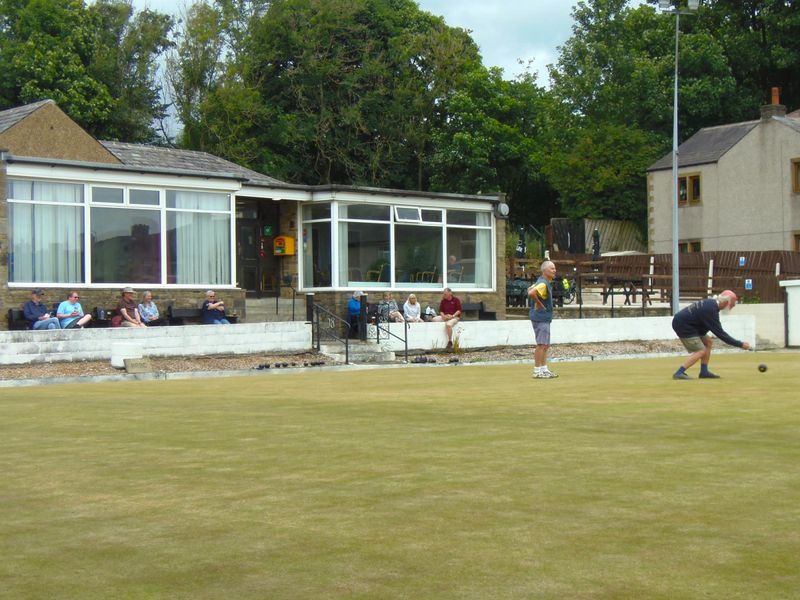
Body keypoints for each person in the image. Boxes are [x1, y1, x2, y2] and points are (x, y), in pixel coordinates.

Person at [671, 290, 750, 379]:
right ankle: (679, 373)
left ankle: (704, 372)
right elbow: (721, 334)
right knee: (701, 350)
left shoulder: (711, 304)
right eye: (732, 304)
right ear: (727, 302)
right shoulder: (711, 310)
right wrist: (740, 344)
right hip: (683, 325)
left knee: (708, 342)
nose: (733, 306)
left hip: (690, 325)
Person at [528, 260, 558, 378]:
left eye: (554, 268)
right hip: (541, 317)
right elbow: (531, 293)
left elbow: (529, 289)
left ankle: (544, 369)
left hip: (542, 317)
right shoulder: (543, 284)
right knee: (541, 344)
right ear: (545, 271)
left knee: (545, 345)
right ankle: (537, 371)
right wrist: (538, 303)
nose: (554, 270)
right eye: (552, 268)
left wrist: (537, 301)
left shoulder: (542, 282)